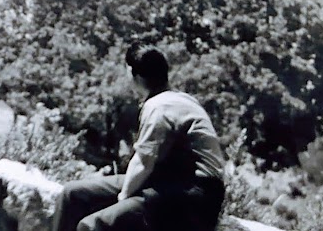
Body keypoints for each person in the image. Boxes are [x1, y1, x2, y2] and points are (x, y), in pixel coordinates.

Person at [52, 44, 225, 231]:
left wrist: (123, 197)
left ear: (135, 75)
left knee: (93, 226)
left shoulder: (158, 107)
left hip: (194, 196)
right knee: (72, 195)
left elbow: (143, 164)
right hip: (167, 181)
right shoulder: (179, 99)